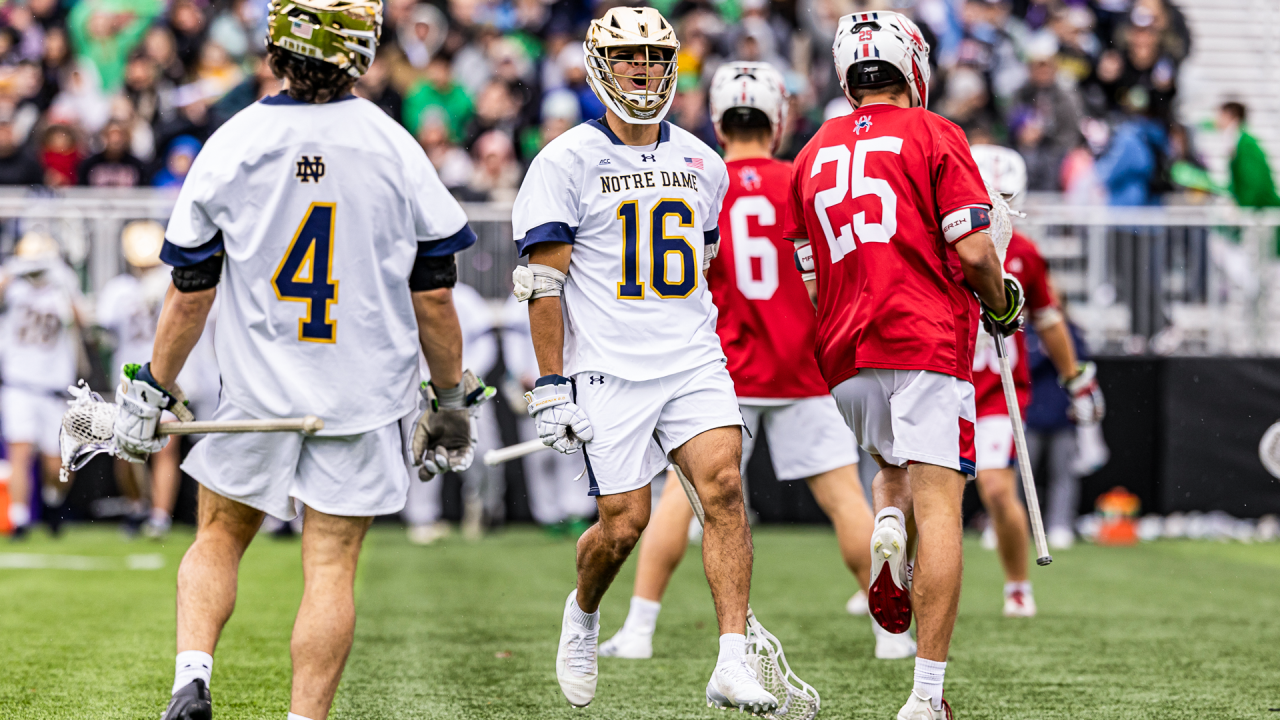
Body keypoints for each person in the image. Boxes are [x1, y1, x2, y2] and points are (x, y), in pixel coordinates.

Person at [111, 1, 484, 717]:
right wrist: (449, 403)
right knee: (330, 565)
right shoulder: (392, 145)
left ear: (276, 47)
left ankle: (192, 677)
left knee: (218, 536)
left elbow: (191, 290)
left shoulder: (235, 140)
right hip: (360, 396)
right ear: (362, 52)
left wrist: (152, 389)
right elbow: (434, 295)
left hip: (257, 391)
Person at [511, 7, 775, 714]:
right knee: (623, 524)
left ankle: (731, 660)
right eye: (630, 57)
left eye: (657, 59)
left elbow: (704, 267)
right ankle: (585, 613)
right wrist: (551, 385)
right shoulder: (566, 159)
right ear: (600, 65)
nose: (644, 71)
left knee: (723, 489)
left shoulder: (703, 161)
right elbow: (544, 283)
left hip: (691, 358)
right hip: (609, 367)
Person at [599, 61, 905, 662]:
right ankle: (890, 634)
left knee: (678, 503)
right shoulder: (802, 177)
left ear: (717, 121)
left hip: (725, 369)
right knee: (846, 497)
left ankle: (637, 630)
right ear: (779, 119)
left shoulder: (699, 178)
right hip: (803, 365)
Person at [785, 12, 1022, 719]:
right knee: (942, 501)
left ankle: (887, 523)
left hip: (845, 351)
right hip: (923, 338)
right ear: (912, 66)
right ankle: (926, 696)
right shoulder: (936, 133)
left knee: (892, 469)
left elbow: (809, 275)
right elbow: (977, 252)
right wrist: (1001, 302)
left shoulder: (811, 151)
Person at [966, 144, 1104, 617]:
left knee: (998, 488)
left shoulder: (1023, 252)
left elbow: (1048, 318)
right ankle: (894, 586)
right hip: (941, 380)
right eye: (989, 195)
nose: (996, 207)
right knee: (918, 492)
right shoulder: (939, 243)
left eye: (1005, 196)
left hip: (993, 391)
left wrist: (1077, 377)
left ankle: (1017, 584)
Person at [0, 232, 85, 539]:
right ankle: (19, 518)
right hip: (18, 383)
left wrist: (64, 282)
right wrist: (14, 270)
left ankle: (53, 503)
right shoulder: (13, 286)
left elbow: (83, 321)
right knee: (19, 453)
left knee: (58, 462)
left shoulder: (61, 286)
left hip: (54, 387)